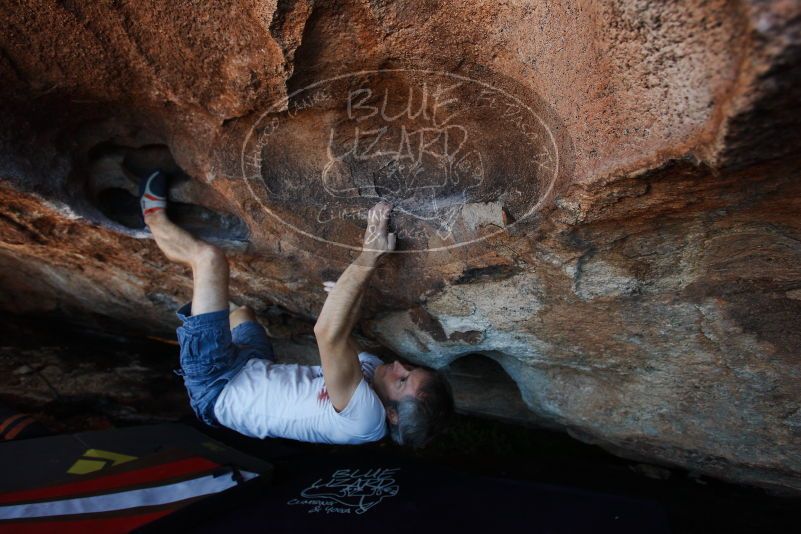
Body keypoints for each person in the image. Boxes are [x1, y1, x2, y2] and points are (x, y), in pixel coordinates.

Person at [139, 171, 453, 447]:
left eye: (402, 381)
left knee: (208, 260)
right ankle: (202, 301)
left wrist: (370, 254)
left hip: (217, 385)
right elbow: (341, 334)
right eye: (409, 369)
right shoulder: (373, 370)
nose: (398, 365)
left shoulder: (365, 421)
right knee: (243, 313)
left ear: (392, 416)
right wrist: (344, 293)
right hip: (253, 366)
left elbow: (326, 334)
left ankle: (152, 217)